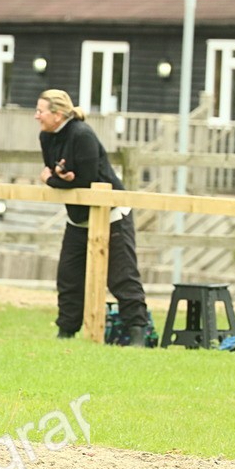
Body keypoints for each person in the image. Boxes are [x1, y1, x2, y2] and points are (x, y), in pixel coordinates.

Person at [35, 89, 149, 347]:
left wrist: (53, 180)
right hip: (78, 218)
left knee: (121, 276)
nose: (36, 116)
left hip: (111, 214)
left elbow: (85, 181)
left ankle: (138, 333)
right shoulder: (46, 137)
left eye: (40, 111)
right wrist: (61, 177)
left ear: (57, 114)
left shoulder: (82, 134)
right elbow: (57, 172)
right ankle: (66, 332)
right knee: (69, 277)